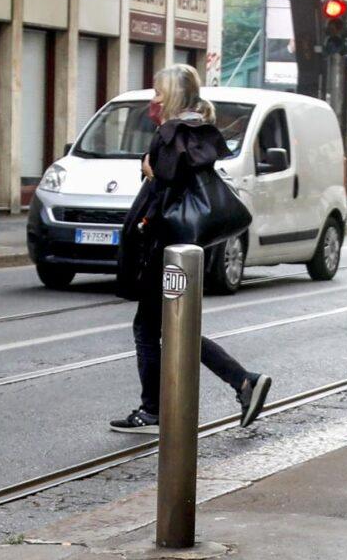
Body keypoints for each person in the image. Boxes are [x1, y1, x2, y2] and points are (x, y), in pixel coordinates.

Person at [109, 63, 272, 434]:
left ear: (175, 94)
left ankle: (154, 410)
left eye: (159, 91)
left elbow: (165, 185)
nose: (155, 98)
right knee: (173, 327)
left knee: (148, 329)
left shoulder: (171, 133)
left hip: (163, 245)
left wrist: (150, 172)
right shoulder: (198, 128)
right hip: (185, 245)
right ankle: (243, 381)